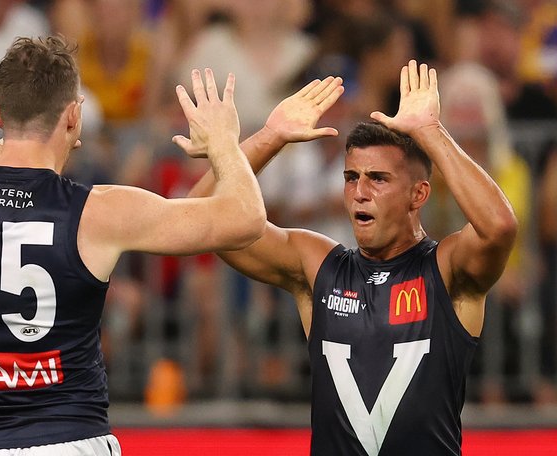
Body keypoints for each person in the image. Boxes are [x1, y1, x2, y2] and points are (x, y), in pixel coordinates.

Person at [0, 35, 267, 455]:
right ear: (73, 117)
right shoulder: (97, 211)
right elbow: (245, 219)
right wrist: (225, 141)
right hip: (69, 439)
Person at [185, 60, 518, 455]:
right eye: (350, 177)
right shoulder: (318, 266)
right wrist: (270, 137)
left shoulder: (446, 271)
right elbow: (198, 219)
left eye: (378, 178)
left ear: (419, 194)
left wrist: (431, 132)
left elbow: (499, 227)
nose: (359, 191)